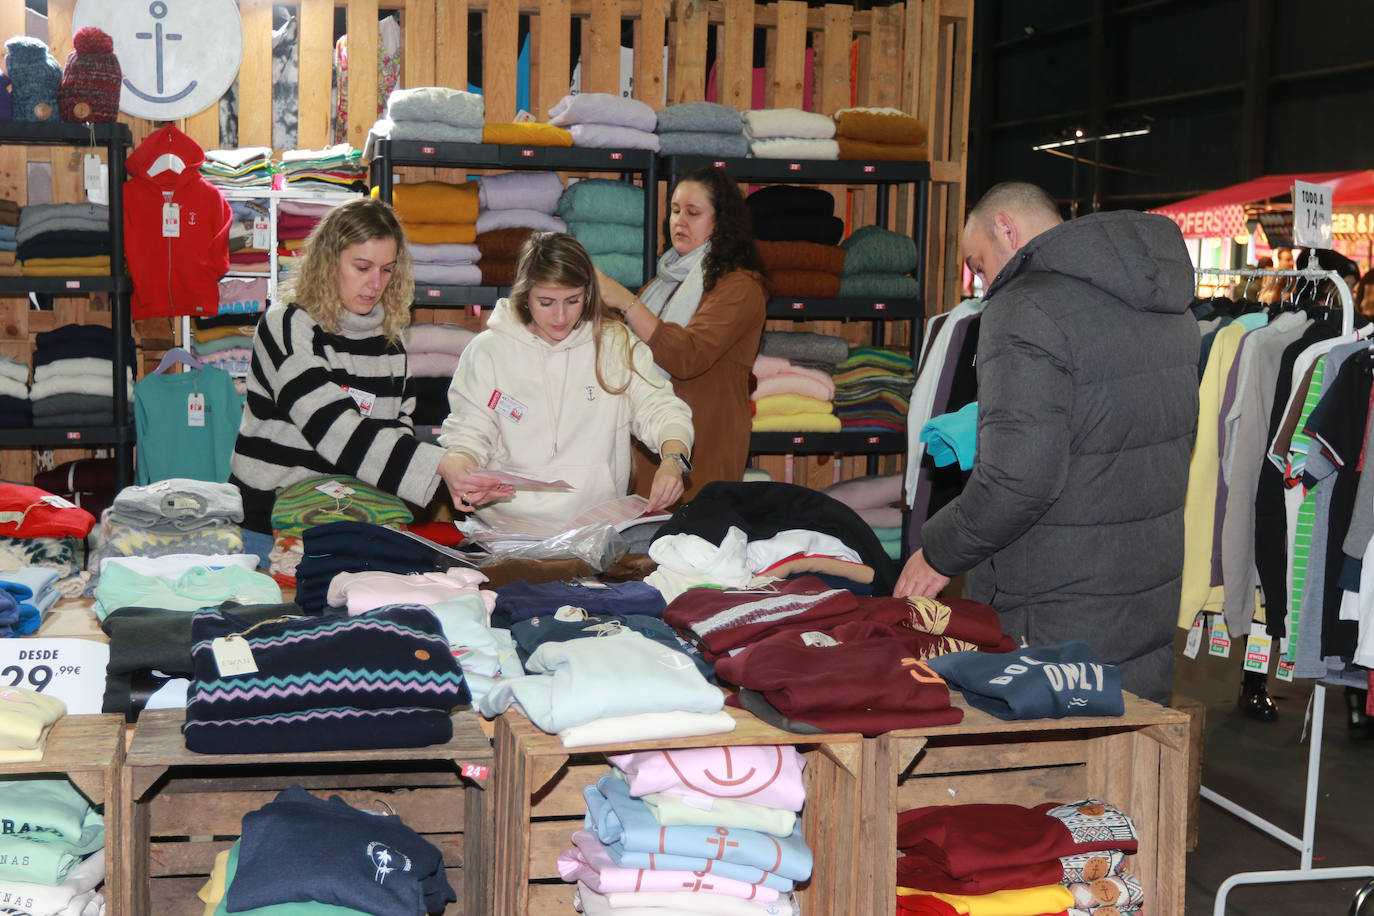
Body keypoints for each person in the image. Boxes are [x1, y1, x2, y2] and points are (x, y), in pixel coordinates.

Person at [895, 182, 1201, 703]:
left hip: (1055, 601)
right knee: (1122, 761)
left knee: (1046, 775)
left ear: (1006, 230)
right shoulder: (1168, 309)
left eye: (979, 262)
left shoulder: (1025, 310)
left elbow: (1018, 479)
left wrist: (937, 553)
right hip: (1145, 589)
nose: (981, 282)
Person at [230, 198, 510, 532]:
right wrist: (440, 466)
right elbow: (331, 427)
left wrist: (456, 478)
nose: (376, 284)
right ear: (327, 262)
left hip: (351, 518)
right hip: (270, 522)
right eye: (362, 268)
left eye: (387, 269)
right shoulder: (288, 326)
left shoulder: (389, 341)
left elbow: (395, 432)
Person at [439, 232, 694, 527]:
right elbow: (469, 433)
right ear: (525, 295)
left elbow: (661, 409)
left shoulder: (615, 344)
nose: (560, 316)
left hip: (594, 529)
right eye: (546, 302)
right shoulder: (488, 351)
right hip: (504, 531)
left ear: (588, 294)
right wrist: (461, 466)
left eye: (572, 300)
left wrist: (673, 461)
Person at [594, 166, 769, 500]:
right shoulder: (663, 283)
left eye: (693, 213)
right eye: (675, 210)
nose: (679, 221)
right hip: (649, 441)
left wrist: (625, 301)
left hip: (704, 447)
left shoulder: (741, 286)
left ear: (721, 222)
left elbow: (688, 356)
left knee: (692, 545)